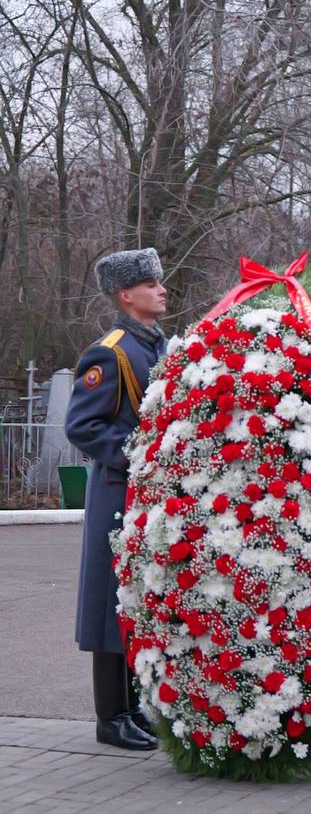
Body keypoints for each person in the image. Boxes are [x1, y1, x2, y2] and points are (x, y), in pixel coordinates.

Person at [65, 248, 168, 751]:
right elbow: (82, 426)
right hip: (119, 490)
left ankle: (134, 708)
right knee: (112, 602)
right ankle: (111, 717)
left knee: (138, 600)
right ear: (127, 294)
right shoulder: (112, 351)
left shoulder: (157, 345)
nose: (162, 289)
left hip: (148, 493)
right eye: (152, 284)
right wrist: (141, 456)